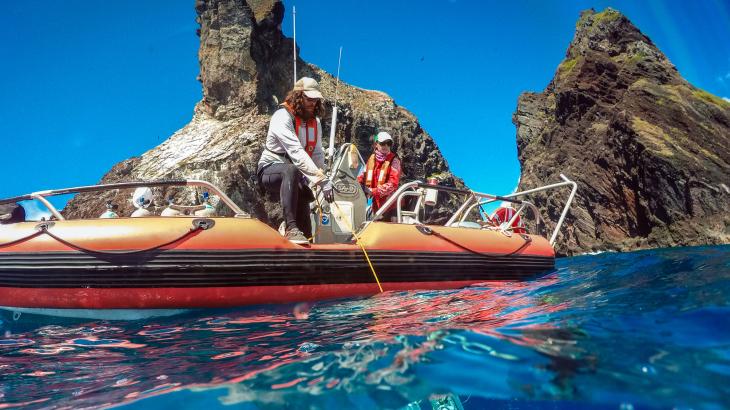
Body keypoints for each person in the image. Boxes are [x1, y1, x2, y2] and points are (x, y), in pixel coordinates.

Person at [257, 77, 334, 244]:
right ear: (298, 96)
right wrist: (320, 179)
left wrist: (323, 179)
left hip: (296, 176)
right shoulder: (281, 116)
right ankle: (290, 228)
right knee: (290, 170)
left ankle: (304, 245)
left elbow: (317, 154)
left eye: (316, 99)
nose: (312, 103)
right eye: (308, 98)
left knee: (305, 199)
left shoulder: (316, 123)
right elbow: (296, 151)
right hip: (270, 169)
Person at [358, 131, 402, 221]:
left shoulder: (395, 161)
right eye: (382, 143)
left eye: (388, 143)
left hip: (391, 205)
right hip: (376, 206)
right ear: (376, 145)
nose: (386, 146)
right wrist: (356, 184)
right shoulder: (371, 159)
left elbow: (393, 184)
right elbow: (362, 176)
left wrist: (373, 191)